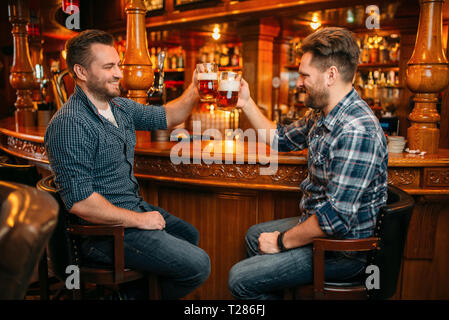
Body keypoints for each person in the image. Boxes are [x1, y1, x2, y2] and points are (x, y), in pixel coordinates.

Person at [44, 29, 210, 300]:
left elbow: (168, 116)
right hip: (102, 235)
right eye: (109, 66)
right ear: (81, 72)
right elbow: (80, 203)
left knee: (188, 235)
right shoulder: (70, 123)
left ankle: (128, 294)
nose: (119, 73)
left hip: (130, 211)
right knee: (198, 265)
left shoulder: (119, 107)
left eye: (118, 64)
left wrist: (195, 87)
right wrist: (139, 220)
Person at [228, 27, 388, 299]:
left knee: (239, 279)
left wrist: (280, 242)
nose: (298, 83)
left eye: (304, 75)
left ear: (331, 75)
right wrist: (246, 103)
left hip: (342, 251)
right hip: (321, 228)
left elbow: (335, 219)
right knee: (254, 236)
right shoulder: (323, 113)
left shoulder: (356, 129)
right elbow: (280, 139)